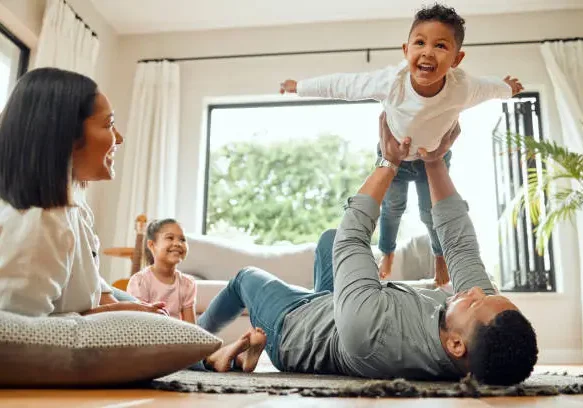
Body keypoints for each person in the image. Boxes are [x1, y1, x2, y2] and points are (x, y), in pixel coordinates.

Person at [197, 112, 538, 385]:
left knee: (245, 278)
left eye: (476, 299)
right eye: (485, 293)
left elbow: (353, 237)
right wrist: (435, 163)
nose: (475, 290)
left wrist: (389, 162)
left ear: (456, 345)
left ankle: (197, 349)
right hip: (337, 309)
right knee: (328, 239)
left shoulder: (373, 335)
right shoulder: (473, 333)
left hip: (293, 329)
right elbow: (460, 245)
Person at [0, 67, 263, 373]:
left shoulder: (73, 204)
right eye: (109, 124)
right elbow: (20, 335)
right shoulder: (37, 223)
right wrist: (115, 316)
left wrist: (121, 308)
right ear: (65, 136)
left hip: (93, 297)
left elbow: (92, 284)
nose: (119, 137)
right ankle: (208, 355)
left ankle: (209, 354)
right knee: (156, 320)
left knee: (145, 309)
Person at [279, 3, 524, 286]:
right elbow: (343, 85)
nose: (428, 52)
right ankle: (387, 252)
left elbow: (491, 88)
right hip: (393, 157)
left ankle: (440, 257)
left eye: (441, 46)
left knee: (430, 213)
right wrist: (300, 87)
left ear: (457, 59)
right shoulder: (391, 82)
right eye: (420, 42)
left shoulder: (463, 87)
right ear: (406, 50)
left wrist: (508, 89)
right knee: (392, 208)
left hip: (432, 158)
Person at [128, 218, 267, 372]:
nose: (177, 243)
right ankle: (226, 358)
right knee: (192, 363)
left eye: (182, 239)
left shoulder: (187, 283)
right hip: (154, 343)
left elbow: (192, 330)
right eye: (170, 238)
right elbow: (139, 327)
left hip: (182, 340)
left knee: (194, 350)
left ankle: (231, 359)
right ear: (151, 245)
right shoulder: (140, 281)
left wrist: (194, 346)